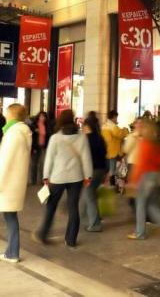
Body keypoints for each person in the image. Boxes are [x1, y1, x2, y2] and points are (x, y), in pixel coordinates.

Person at [34, 109, 92, 248]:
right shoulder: (81, 136)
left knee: (51, 206)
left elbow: (49, 159)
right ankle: (70, 240)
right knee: (73, 208)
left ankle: (43, 234)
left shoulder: (55, 138)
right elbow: (86, 157)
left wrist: (45, 176)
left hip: (58, 177)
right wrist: (88, 175)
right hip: (76, 177)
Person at [126, 120, 160, 240]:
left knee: (140, 203)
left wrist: (133, 181)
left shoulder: (144, 143)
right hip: (154, 175)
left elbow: (141, 164)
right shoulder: (157, 144)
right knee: (150, 204)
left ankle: (140, 232)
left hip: (144, 176)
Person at [0, 104, 32, 263]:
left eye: (7, 112)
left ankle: (12, 253)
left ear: (12, 114)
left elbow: (5, 162)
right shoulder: (20, 132)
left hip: (7, 184)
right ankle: (11, 252)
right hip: (13, 184)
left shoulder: (14, 135)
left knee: (10, 218)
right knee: (10, 217)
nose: (5, 114)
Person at [81, 111, 107, 232]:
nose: (82, 128)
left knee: (89, 195)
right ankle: (91, 217)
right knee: (90, 194)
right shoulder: (100, 138)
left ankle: (95, 223)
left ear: (88, 127)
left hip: (92, 170)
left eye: (84, 126)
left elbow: (86, 157)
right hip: (101, 170)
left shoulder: (87, 140)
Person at [102, 110, 128, 187]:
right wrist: (126, 130)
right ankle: (112, 185)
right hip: (113, 151)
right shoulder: (112, 126)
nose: (116, 119)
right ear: (113, 117)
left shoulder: (105, 125)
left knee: (109, 168)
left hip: (107, 150)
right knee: (112, 169)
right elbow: (121, 134)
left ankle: (108, 184)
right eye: (116, 117)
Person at [28, 111, 53, 185]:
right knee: (34, 164)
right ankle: (33, 180)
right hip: (35, 147)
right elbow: (31, 137)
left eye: (44, 116)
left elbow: (49, 135)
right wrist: (35, 131)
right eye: (41, 116)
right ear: (38, 116)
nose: (42, 118)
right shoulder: (33, 125)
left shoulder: (47, 125)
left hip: (44, 146)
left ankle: (42, 180)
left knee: (42, 163)